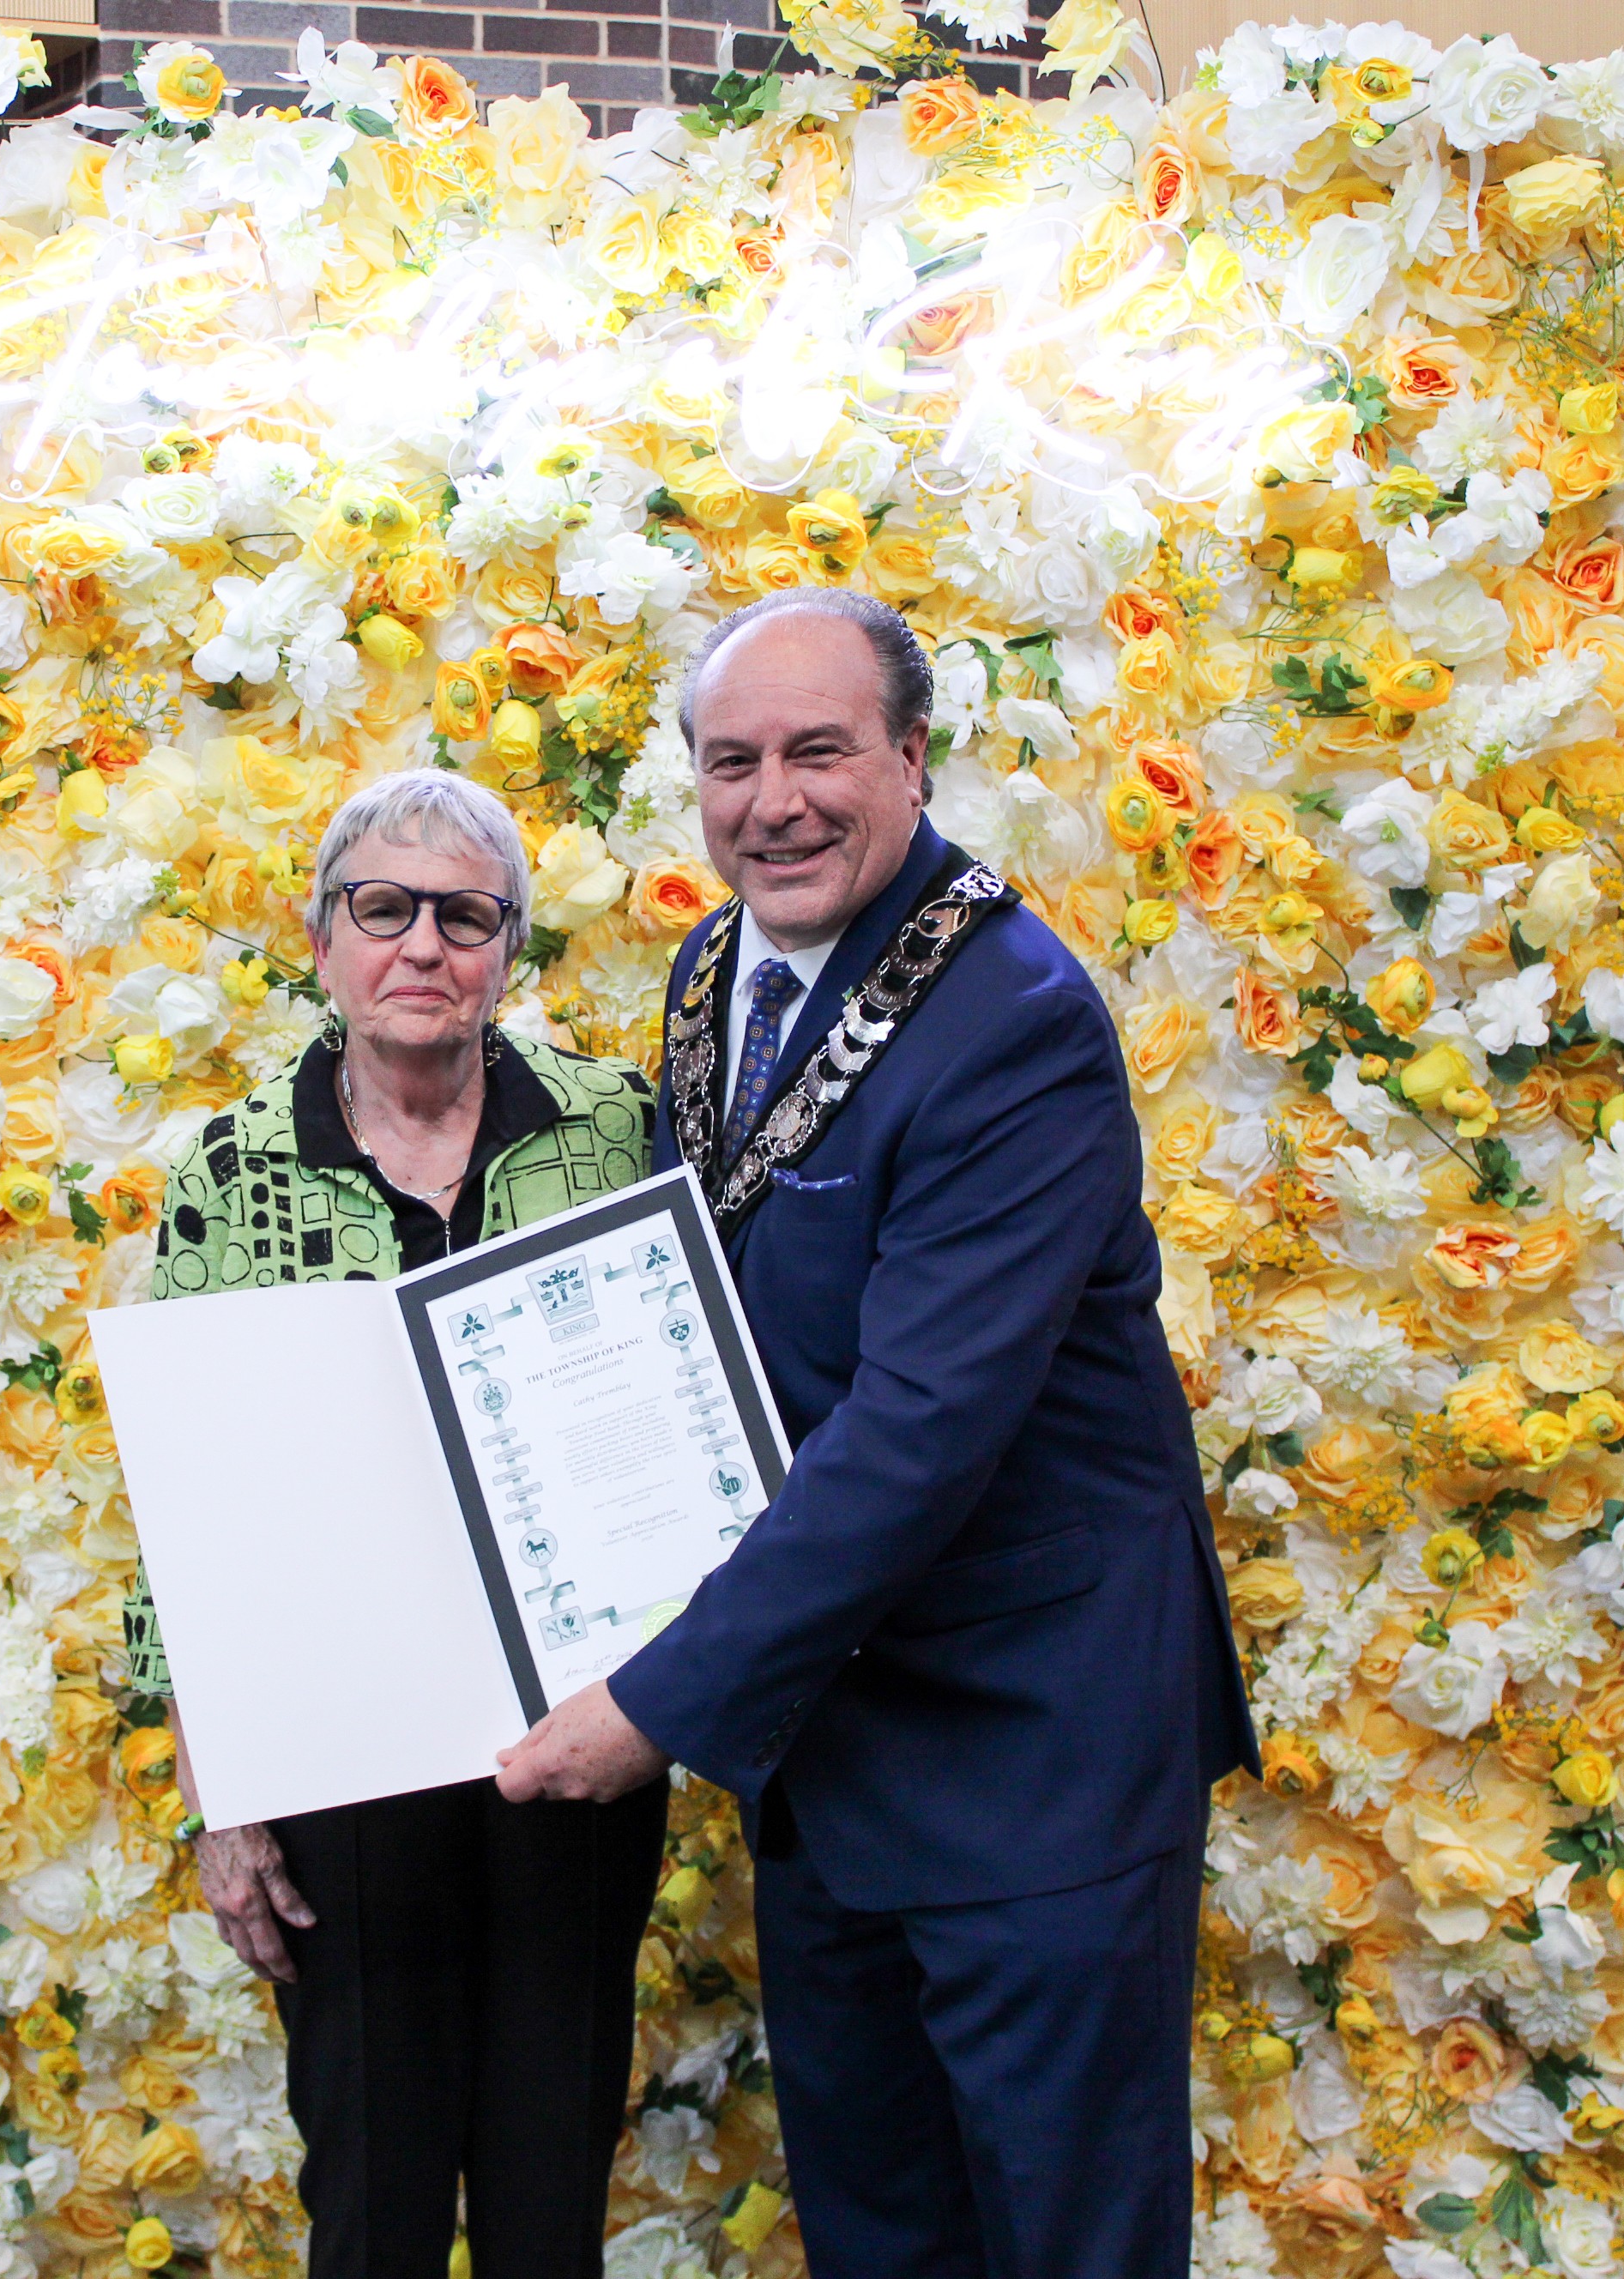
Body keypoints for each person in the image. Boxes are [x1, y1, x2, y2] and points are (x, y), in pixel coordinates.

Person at [497, 589, 1258, 2277]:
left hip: (1029, 1751)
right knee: (876, 2230)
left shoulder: (1017, 1024)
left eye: (818, 750)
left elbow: (918, 1426)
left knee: (1062, 2237)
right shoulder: (714, 968)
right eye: (731, 759)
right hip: (830, 1741)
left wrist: (650, 1695)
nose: (772, 797)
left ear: (910, 759)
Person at [136, 771, 668, 2279]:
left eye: (466, 915)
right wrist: (221, 1795)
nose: (423, 944)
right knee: (367, 2196)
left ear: (510, 951)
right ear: (324, 941)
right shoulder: (235, 1173)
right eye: (384, 909)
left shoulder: (621, 1131)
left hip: (581, 1739)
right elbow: (192, 1505)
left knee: (550, 2188)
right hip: (341, 1763)